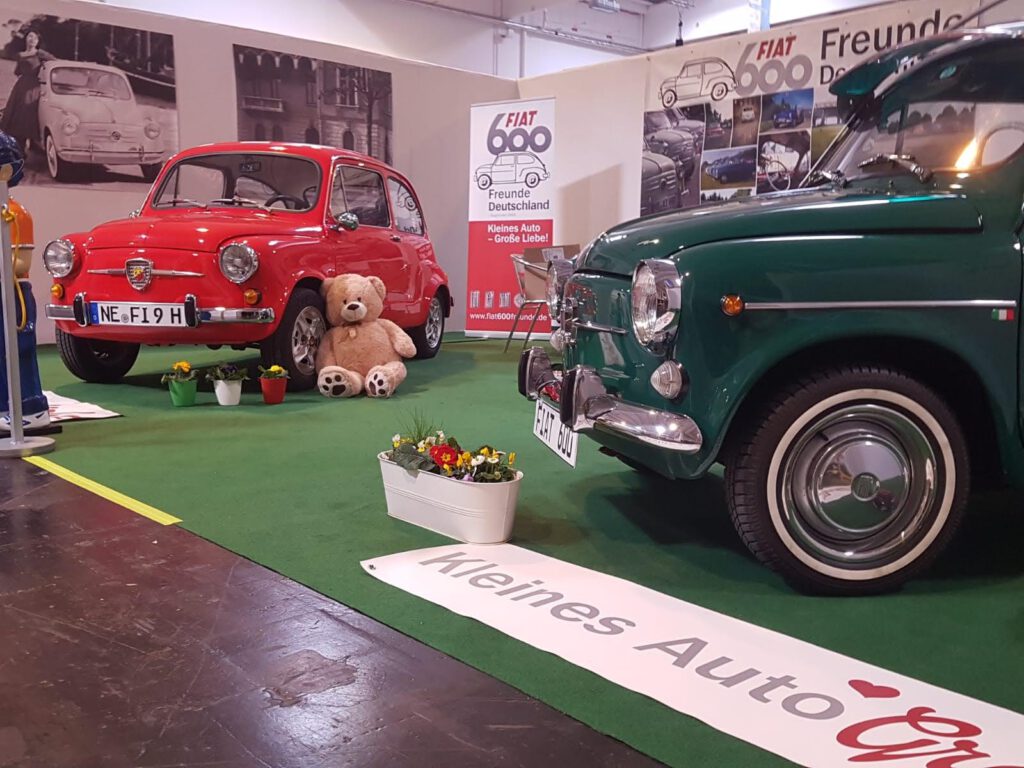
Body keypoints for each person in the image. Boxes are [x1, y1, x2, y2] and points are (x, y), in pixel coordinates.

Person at [0, 130, 49, 430]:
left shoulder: (16, 214)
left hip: (13, 294)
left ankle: (29, 409)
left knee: (18, 350)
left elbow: (22, 262)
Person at [0, 31, 55, 153]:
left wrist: (43, 73)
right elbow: (17, 71)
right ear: (26, 38)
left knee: (27, 116)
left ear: (38, 41)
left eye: (35, 37)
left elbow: (54, 62)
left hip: (33, 88)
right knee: (15, 116)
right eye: (30, 36)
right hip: (20, 88)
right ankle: (17, 148)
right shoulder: (20, 55)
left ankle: (30, 147)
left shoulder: (40, 54)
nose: (32, 39)